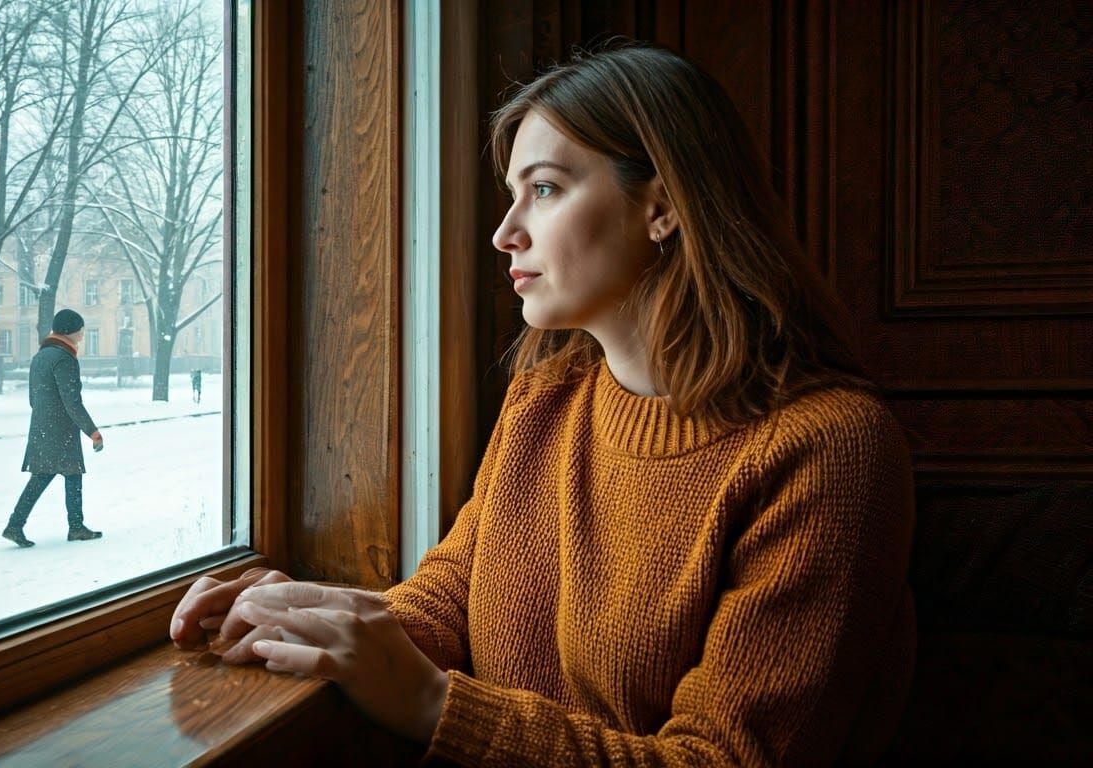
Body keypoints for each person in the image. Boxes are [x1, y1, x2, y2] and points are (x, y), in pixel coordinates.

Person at [170, 40, 916, 766]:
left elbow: (720, 758)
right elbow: (454, 594)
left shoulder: (829, 448)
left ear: (660, 206)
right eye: (512, 195)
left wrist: (435, 705)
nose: (505, 233)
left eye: (546, 189)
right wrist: (310, 615)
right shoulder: (545, 400)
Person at [2, 309, 106, 547]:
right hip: (61, 430)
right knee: (72, 474)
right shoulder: (64, 358)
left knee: (42, 476)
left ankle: (15, 525)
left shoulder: (41, 356)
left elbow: (32, 398)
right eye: (80, 329)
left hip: (41, 427)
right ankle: (76, 527)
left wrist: (45, 417)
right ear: (70, 331)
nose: (82, 334)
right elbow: (72, 402)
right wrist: (92, 431)